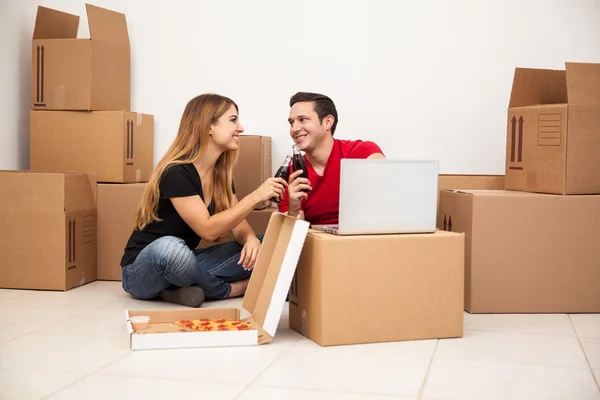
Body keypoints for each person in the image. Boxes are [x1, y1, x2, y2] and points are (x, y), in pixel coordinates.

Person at [120, 94, 287, 308]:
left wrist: (252, 240)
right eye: (233, 120)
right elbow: (208, 231)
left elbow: (238, 227)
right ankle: (231, 289)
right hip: (142, 270)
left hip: (186, 262)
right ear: (209, 127)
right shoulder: (176, 173)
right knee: (170, 248)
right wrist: (256, 197)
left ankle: (175, 290)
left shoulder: (221, 177)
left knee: (273, 242)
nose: (241, 128)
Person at [277, 92, 385, 225]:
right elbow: (293, 237)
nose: (294, 128)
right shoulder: (291, 175)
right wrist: (293, 209)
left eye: (303, 119)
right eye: (291, 122)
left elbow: (388, 200)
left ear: (328, 122)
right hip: (322, 243)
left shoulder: (362, 153)